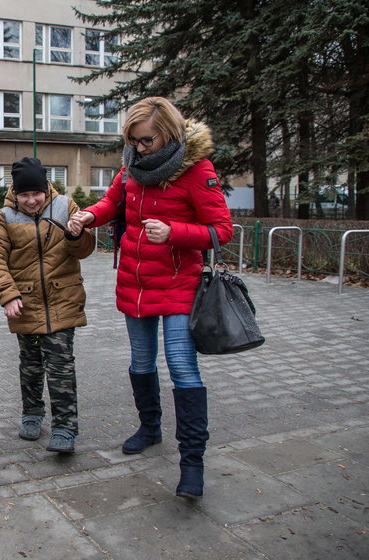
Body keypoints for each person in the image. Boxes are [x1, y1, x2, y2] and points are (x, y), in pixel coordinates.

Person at [68, 97, 233, 498]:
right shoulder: (132, 166)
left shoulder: (197, 170)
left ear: (169, 134)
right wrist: (89, 215)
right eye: (132, 141)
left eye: (145, 141)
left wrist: (175, 232)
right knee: (141, 362)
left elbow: (221, 230)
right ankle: (150, 427)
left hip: (179, 284)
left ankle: (192, 461)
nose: (138, 149)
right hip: (135, 282)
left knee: (181, 367)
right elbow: (113, 202)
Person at [0, 157, 95, 453]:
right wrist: (7, 294)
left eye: (36, 193)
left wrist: (76, 234)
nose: (32, 200)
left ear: (46, 188)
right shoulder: (3, 217)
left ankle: (65, 427)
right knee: (31, 366)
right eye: (25, 194)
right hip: (25, 303)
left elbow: (84, 250)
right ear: (15, 193)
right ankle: (32, 413)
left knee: (60, 366)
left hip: (64, 299)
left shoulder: (65, 207)